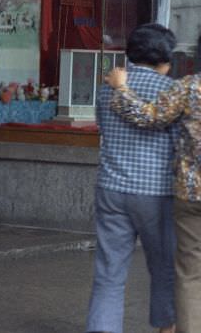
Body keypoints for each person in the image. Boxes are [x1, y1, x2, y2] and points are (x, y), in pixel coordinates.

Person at [86, 24, 177, 333]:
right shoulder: (170, 91)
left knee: (109, 271)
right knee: (164, 268)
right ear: (166, 57)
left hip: (111, 188)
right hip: (156, 193)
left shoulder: (107, 86)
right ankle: (166, 327)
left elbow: (102, 127)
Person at [107, 34, 201, 333]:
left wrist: (122, 88)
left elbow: (150, 117)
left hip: (192, 193)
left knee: (190, 274)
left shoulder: (189, 87)